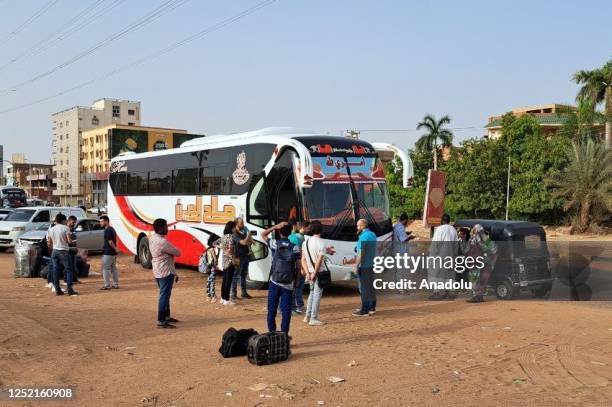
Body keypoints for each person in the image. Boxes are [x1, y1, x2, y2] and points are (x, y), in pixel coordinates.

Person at [262, 222, 300, 334]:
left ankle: (272, 332)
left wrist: (274, 227)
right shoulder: (295, 247)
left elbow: (263, 235)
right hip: (288, 283)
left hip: (275, 281)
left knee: (272, 309)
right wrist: (296, 282)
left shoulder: (274, 243)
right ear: (290, 233)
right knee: (286, 310)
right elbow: (298, 266)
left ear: (279, 232)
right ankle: (284, 334)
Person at [150, 218, 181, 328]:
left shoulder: (153, 238)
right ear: (160, 228)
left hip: (158, 270)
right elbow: (178, 253)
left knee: (165, 295)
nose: (167, 228)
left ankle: (166, 317)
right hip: (165, 271)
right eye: (165, 226)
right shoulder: (162, 242)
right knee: (164, 295)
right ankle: (161, 320)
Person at [301, 220, 333, 326]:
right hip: (318, 272)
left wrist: (308, 273)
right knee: (317, 295)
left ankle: (307, 316)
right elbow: (319, 261)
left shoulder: (305, 242)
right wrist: (315, 273)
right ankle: (313, 318)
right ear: (321, 230)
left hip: (310, 271)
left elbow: (303, 260)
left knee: (312, 293)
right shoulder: (321, 243)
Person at [345, 219, 377, 316]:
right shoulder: (373, 235)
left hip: (364, 266)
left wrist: (356, 265)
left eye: (358, 226)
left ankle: (365, 310)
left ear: (363, 226)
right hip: (371, 265)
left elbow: (361, 253)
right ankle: (371, 307)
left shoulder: (363, 237)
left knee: (363, 288)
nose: (357, 227)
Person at [428, 213, 459, 300]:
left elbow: (435, 244)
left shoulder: (439, 229)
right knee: (449, 274)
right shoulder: (453, 230)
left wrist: (432, 255)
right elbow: (456, 245)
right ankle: (448, 293)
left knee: (436, 274)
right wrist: (454, 256)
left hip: (440, 256)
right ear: (448, 221)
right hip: (451, 256)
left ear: (442, 220)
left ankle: (437, 293)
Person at [47, 213, 78, 296]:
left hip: (54, 251)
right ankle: (69, 289)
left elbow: (49, 243)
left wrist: (51, 249)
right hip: (64, 251)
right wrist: (72, 242)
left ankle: (57, 290)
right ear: (63, 220)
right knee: (69, 270)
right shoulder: (66, 228)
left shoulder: (52, 229)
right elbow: (69, 241)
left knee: (55, 271)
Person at [467, 224, 498, 303]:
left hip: (480, 262)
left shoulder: (480, 239)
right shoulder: (482, 238)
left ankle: (477, 295)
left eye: (475, 231)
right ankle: (478, 295)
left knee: (476, 278)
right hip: (479, 261)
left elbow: (493, 249)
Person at [288, 221, 309, 314]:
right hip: (297, 265)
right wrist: (302, 267)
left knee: (298, 286)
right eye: (308, 228)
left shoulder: (295, 236)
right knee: (298, 286)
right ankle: (297, 306)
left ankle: (298, 304)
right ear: (303, 227)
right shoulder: (297, 238)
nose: (309, 230)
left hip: (297, 265)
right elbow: (299, 254)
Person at [230, 217, 253, 300]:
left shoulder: (243, 232)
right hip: (238, 257)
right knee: (236, 276)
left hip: (246, 255)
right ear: (236, 224)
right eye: (241, 223)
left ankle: (244, 293)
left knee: (244, 275)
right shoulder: (234, 233)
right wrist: (248, 236)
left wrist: (248, 238)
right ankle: (233, 294)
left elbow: (249, 242)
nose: (243, 224)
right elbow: (243, 242)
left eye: (243, 223)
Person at [215, 221, 237, 306]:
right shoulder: (231, 237)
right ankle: (226, 299)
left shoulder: (223, 237)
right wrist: (230, 251)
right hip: (230, 261)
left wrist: (223, 248)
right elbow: (231, 249)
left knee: (224, 280)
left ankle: (222, 298)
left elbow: (214, 243)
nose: (235, 229)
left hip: (224, 261)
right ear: (231, 228)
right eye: (234, 227)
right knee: (229, 281)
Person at [393, 213, 413, 294]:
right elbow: (403, 239)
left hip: (397, 251)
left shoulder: (396, 226)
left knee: (399, 271)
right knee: (402, 271)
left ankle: (400, 289)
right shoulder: (401, 227)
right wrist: (410, 237)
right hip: (401, 252)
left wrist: (407, 234)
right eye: (407, 221)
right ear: (405, 220)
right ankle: (402, 289)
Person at [99, 215, 119, 290]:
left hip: (108, 252)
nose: (100, 223)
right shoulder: (112, 229)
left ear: (106, 221)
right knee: (113, 268)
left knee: (106, 268)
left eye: (101, 221)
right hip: (112, 253)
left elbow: (110, 241)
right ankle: (115, 284)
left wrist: (115, 248)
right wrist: (115, 249)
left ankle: (107, 285)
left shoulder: (107, 230)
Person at [204, 234, 220, 303]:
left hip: (208, 266)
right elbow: (215, 259)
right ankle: (213, 296)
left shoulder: (208, 248)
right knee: (212, 281)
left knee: (209, 281)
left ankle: (208, 296)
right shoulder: (212, 249)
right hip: (212, 267)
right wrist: (216, 265)